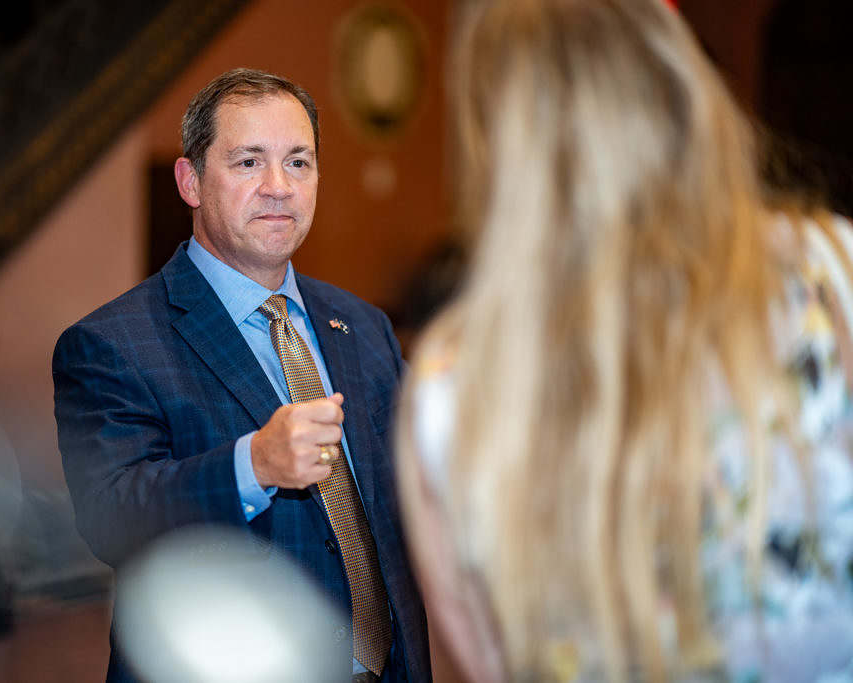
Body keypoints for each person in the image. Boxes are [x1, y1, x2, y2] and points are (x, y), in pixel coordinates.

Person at [398, 0, 853, 681]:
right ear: (684, 90)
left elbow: (483, 663)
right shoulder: (830, 273)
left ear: (499, 146)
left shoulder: (452, 387)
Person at [53, 68, 429, 683]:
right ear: (191, 181)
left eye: (299, 162)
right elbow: (111, 519)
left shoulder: (362, 326)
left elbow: (418, 478)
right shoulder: (112, 343)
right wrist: (252, 465)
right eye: (249, 162)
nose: (279, 187)